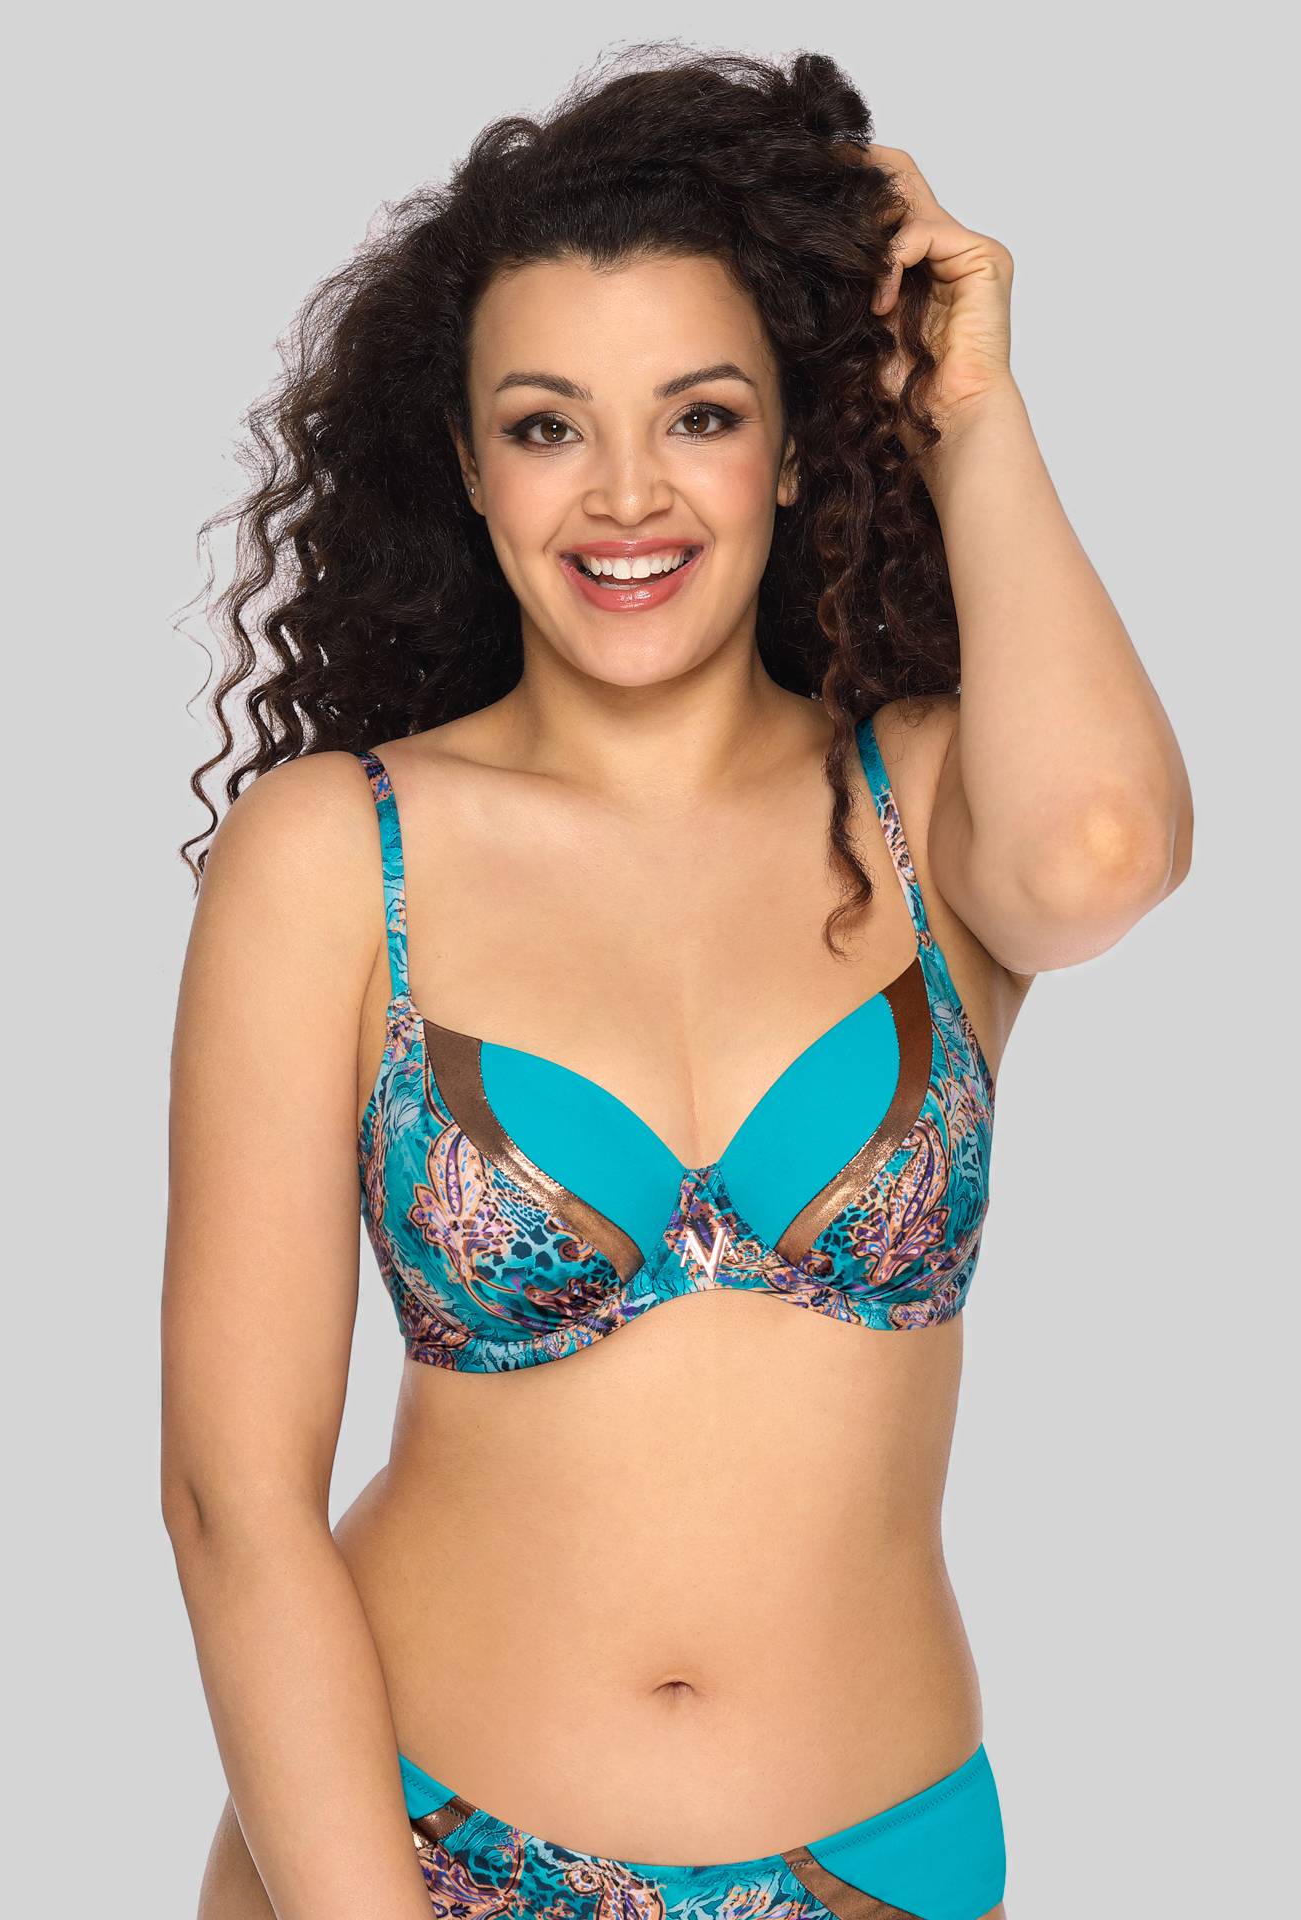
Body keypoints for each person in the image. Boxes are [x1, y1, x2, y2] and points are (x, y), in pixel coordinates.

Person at [160, 45, 1193, 1920]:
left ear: (794, 446)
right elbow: (234, 1497)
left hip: (879, 1860)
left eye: (699, 414)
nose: (624, 495)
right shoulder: (335, 853)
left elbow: (1103, 855)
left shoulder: (926, 798)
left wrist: (967, 407)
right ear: (465, 466)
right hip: (412, 1848)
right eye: (546, 426)